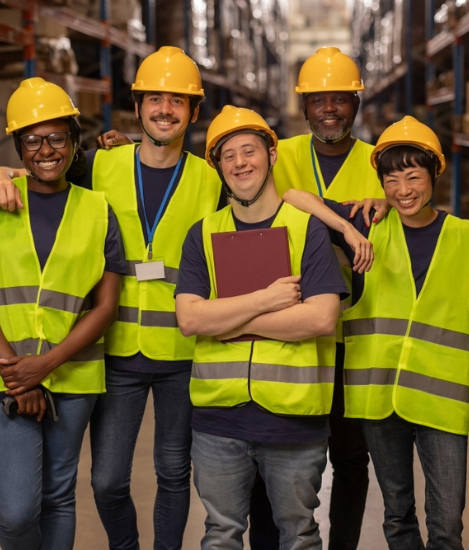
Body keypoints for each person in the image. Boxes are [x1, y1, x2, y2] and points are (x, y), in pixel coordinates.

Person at [0, 47, 223, 550]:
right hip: (114, 351)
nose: (164, 109)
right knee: (108, 480)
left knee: (174, 472)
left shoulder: (212, 179)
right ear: (137, 107)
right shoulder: (99, 164)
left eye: (178, 101)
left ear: (194, 112)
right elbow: (45, 172)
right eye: (154, 98)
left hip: (184, 352)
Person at [175, 105, 371, 550]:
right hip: (218, 420)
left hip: (292, 421)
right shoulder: (201, 233)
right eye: (229, 155)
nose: (241, 162)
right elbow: (189, 318)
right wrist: (267, 300)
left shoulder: (308, 230)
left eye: (250, 150)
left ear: (272, 155)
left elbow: (321, 317)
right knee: (220, 534)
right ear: (218, 167)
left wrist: (226, 319)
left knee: (299, 536)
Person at [284, 117, 469, 550]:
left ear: (435, 176)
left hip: (441, 398)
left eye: (413, 177)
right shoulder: (370, 222)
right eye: (391, 180)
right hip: (378, 397)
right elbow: (291, 196)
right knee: (398, 514)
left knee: (447, 523)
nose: (403, 190)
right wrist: (347, 228)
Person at [0, 77, 125, 550]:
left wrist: (46, 366)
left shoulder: (97, 209)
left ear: (73, 142)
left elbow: (106, 305)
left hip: (73, 377)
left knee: (58, 496)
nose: (45, 149)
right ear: (17, 147)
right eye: (32, 140)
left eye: (56, 137)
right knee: (17, 511)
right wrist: (19, 375)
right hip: (4, 380)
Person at [269, 46, 383, 550]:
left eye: (341, 99)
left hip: (353, 337)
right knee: (284, 452)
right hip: (288, 330)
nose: (330, 108)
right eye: (319, 100)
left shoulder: (378, 162)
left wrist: (392, 201)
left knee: (351, 455)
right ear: (304, 106)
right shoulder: (280, 154)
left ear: (356, 105)